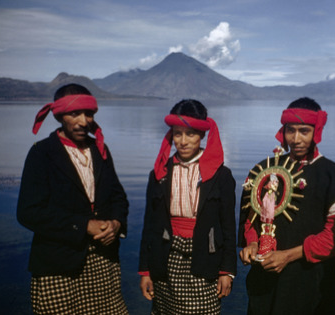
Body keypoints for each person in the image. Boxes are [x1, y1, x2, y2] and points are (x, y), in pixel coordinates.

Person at [239, 97, 335, 314]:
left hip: (310, 283)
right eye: (290, 130)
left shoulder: (333, 176)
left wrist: (288, 256)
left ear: (317, 131)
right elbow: (251, 218)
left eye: (304, 131)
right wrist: (253, 244)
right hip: (264, 283)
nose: (296, 139)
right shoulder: (265, 170)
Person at [17, 84, 129, 314]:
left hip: (103, 263)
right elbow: (29, 212)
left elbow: (118, 196)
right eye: (74, 114)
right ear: (59, 115)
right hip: (57, 266)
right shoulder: (42, 153)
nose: (83, 121)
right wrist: (84, 225)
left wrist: (116, 223)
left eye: (88, 114)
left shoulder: (99, 149)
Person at [138, 99, 237, 314]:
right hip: (166, 259)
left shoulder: (220, 176)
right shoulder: (160, 174)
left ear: (202, 135)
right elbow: (150, 225)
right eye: (177, 134)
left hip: (205, 260)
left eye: (190, 134)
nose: (183, 141)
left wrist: (227, 271)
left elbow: (228, 226)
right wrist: (145, 270)